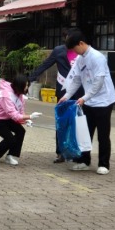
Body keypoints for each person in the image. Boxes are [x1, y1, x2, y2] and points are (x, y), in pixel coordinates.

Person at [58, 30, 115, 174]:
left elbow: (99, 82)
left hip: (104, 101)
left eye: (74, 49)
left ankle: (104, 164)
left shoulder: (98, 58)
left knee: (103, 134)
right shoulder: (80, 58)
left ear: (81, 43)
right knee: (85, 133)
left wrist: (85, 97)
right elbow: (77, 78)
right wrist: (67, 95)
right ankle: (84, 160)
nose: (74, 52)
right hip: (88, 101)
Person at [29, 29, 84, 163]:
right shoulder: (59, 51)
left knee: (79, 122)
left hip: (80, 91)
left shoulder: (82, 52)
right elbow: (45, 65)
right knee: (61, 121)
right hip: (63, 90)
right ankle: (60, 152)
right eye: (67, 38)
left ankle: (79, 151)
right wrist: (31, 77)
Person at [0, 74, 40, 165]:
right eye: (26, 85)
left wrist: (26, 120)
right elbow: (14, 115)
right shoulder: (5, 95)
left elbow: (20, 111)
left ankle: (10, 156)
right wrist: (30, 116)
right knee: (10, 139)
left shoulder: (18, 93)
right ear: (19, 85)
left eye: (28, 85)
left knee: (20, 131)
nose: (27, 88)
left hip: (8, 118)